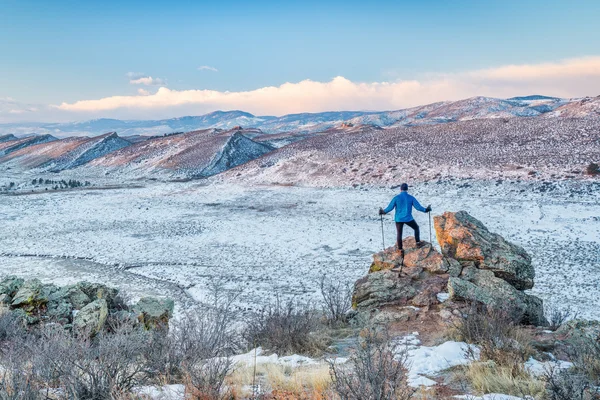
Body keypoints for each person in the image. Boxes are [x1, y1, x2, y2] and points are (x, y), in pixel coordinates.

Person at [379, 183, 431, 255]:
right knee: (416, 228)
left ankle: (400, 249)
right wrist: (426, 210)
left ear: (400, 189)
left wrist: (383, 212)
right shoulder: (411, 198)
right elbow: (418, 207)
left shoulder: (396, 198)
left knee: (399, 234)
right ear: (407, 189)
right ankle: (418, 243)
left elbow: (390, 207)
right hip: (408, 218)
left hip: (399, 219)